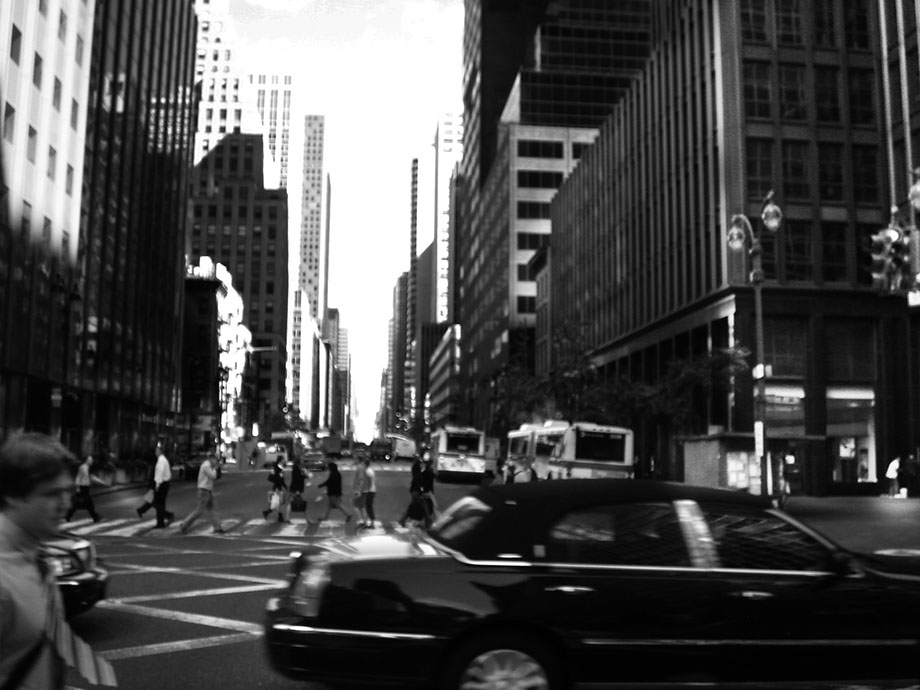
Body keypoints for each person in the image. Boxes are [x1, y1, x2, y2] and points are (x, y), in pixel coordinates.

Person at [0, 432, 117, 688]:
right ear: (13, 495)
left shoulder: (35, 553)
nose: (65, 504)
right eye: (52, 493)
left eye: (68, 491)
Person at [179, 455, 224, 534]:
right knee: (199, 510)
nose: (216, 462)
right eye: (215, 461)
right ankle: (184, 524)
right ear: (211, 459)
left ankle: (217, 527)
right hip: (204, 491)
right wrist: (215, 469)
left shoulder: (208, 466)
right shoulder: (206, 466)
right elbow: (213, 476)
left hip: (208, 490)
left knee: (213, 508)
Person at [65, 453, 108, 523]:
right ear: (87, 461)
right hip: (82, 488)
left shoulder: (88, 468)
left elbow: (92, 477)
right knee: (89, 503)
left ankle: (68, 516)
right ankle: (95, 517)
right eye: (90, 460)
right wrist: (77, 488)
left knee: (77, 504)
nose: (91, 462)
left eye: (92, 460)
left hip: (86, 488)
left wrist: (103, 482)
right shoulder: (82, 467)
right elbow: (78, 477)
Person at [152, 442, 175, 528]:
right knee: (160, 504)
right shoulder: (162, 459)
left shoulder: (161, 461)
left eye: (156, 451)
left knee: (156, 503)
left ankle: (169, 515)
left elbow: (160, 473)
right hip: (164, 484)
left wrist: (157, 485)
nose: (155, 452)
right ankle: (160, 523)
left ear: (160, 451)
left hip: (162, 484)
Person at [263, 457, 288, 522]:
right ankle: (279, 517)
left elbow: (281, 478)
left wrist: (284, 485)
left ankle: (268, 512)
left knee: (278, 502)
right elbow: (277, 478)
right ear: (280, 460)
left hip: (278, 486)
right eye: (283, 460)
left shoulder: (280, 468)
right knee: (279, 502)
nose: (284, 461)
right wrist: (279, 487)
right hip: (277, 487)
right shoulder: (277, 468)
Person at [358, 456, 377, 530]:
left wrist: (366, 490)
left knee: (368, 507)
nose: (362, 465)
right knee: (367, 507)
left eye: (363, 464)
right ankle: (368, 523)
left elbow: (369, 482)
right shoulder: (368, 470)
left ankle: (371, 523)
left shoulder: (368, 471)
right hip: (370, 490)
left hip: (370, 491)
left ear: (365, 464)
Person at [352, 455, 368, 526]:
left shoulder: (360, 467)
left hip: (360, 490)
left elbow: (361, 479)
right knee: (362, 507)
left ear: (358, 460)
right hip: (363, 490)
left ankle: (361, 521)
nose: (354, 461)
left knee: (356, 506)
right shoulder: (362, 467)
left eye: (355, 459)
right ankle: (364, 521)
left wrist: (359, 491)